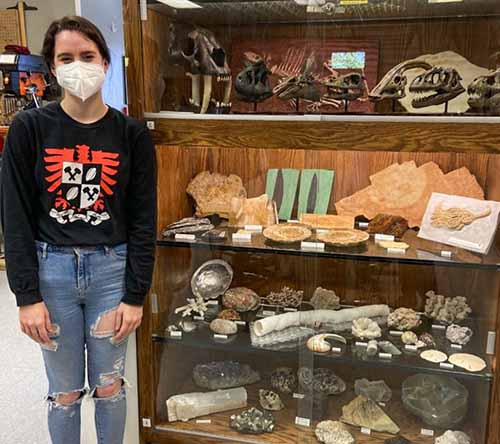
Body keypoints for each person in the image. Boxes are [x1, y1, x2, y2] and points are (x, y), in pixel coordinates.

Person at [0, 16, 157, 444]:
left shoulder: (131, 136)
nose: (78, 66)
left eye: (87, 56)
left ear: (105, 63)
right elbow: (14, 216)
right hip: (52, 273)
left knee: (109, 386)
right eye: (66, 58)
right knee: (64, 392)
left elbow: (144, 220)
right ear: (52, 68)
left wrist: (135, 293)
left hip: (112, 270)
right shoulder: (29, 129)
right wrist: (26, 296)